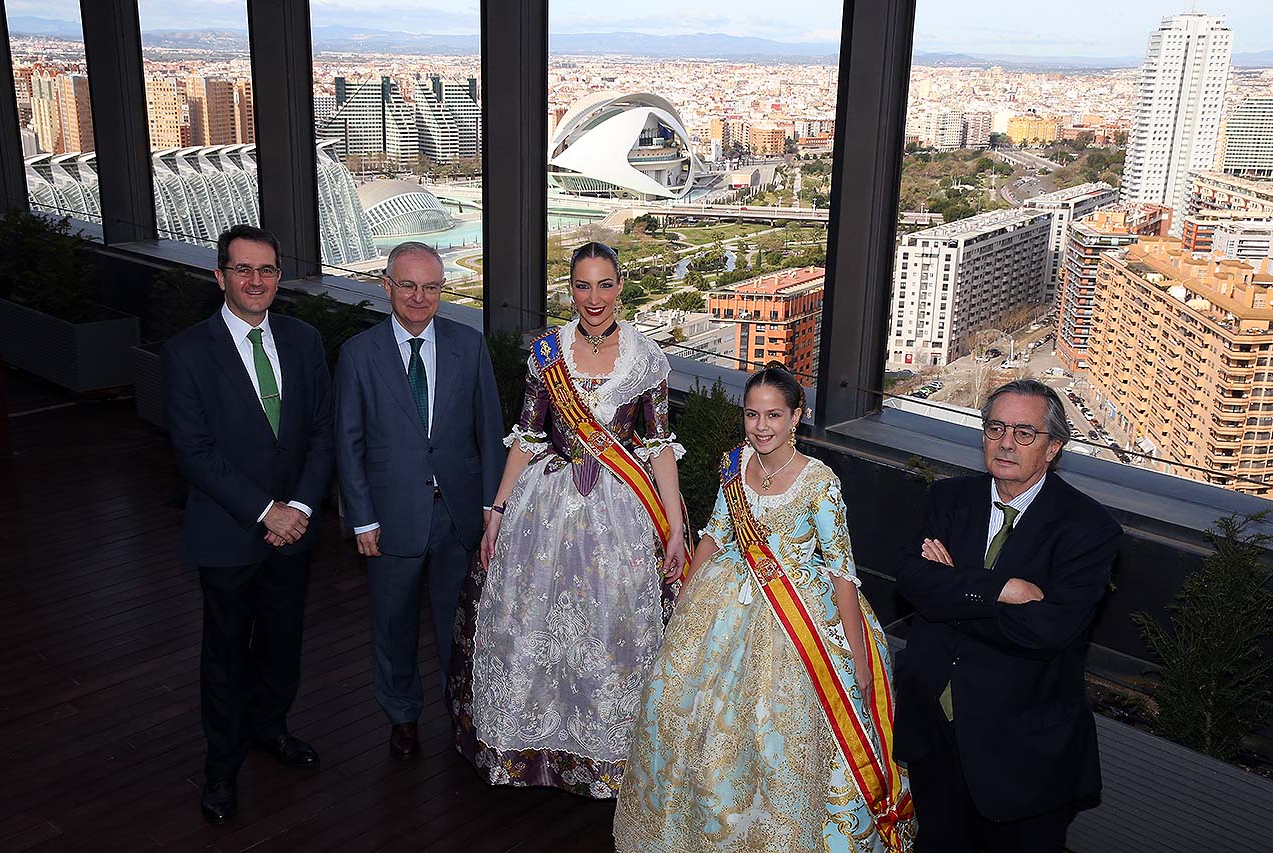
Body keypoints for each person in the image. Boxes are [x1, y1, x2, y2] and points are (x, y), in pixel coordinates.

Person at [614, 363, 914, 853]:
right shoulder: (734, 465)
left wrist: (858, 658)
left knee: (779, 743)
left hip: (798, 619)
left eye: (774, 415)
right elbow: (714, 533)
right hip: (724, 606)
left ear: (798, 416)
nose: (762, 426)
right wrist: (686, 599)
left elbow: (842, 571)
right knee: (689, 723)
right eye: (752, 415)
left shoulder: (820, 481)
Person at [446, 241, 688, 799]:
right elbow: (528, 438)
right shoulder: (546, 353)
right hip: (545, 512)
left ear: (621, 286)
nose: (594, 297)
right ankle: (532, 746)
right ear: (570, 288)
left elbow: (657, 448)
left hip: (622, 517)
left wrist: (673, 527)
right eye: (583, 285)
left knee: (610, 634)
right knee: (535, 629)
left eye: (605, 284)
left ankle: (609, 754)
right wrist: (499, 511)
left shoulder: (647, 359)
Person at [893, 379, 1122, 853]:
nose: (1005, 443)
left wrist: (953, 591)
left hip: (1021, 753)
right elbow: (912, 581)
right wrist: (1001, 589)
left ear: (1054, 447)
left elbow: (1046, 630)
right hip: (933, 731)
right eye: (996, 428)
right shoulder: (949, 498)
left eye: (1024, 433)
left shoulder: (1089, 529)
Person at [162, 224, 334, 824]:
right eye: (242, 270)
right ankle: (221, 769)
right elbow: (194, 453)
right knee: (227, 658)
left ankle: (272, 732)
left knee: (284, 645)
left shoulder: (305, 339)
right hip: (229, 534)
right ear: (220, 276)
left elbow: (320, 432)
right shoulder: (186, 353)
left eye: (266, 271)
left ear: (278, 278)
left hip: (295, 533)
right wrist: (268, 512)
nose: (255, 281)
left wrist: (303, 509)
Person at [335, 241, 505, 762]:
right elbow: (349, 443)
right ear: (385, 286)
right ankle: (402, 716)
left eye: (431, 286)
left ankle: (462, 715)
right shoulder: (358, 354)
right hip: (389, 522)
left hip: (458, 519)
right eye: (407, 285)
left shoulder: (468, 344)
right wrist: (360, 518)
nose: (418, 296)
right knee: (393, 626)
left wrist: (490, 510)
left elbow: (490, 430)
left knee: (459, 627)